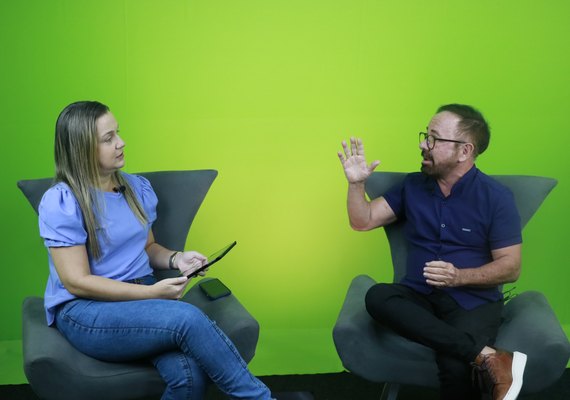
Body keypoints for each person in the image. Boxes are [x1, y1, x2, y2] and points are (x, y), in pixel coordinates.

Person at [38, 100, 274, 400]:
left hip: (143, 299)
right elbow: (76, 281)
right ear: (82, 148)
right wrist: (152, 295)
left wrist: (177, 258)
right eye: (108, 139)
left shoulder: (135, 189)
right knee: (187, 318)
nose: (121, 143)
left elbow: (147, 247)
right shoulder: (62, 201)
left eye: (118, 133)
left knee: (187, 378)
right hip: (86, 311)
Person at [337, 104, 527, 400]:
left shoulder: (496, 198)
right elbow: (363, 221)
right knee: (378, 297)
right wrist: (356, 184)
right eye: (426, 135)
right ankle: (490, 356)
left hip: (472, 301)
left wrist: (458, 277)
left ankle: (476, 356)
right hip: (419, 297)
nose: (423, 144)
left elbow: (511, 267)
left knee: (455, 366)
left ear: (464, 151)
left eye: (434, 139)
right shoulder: (412, 185)